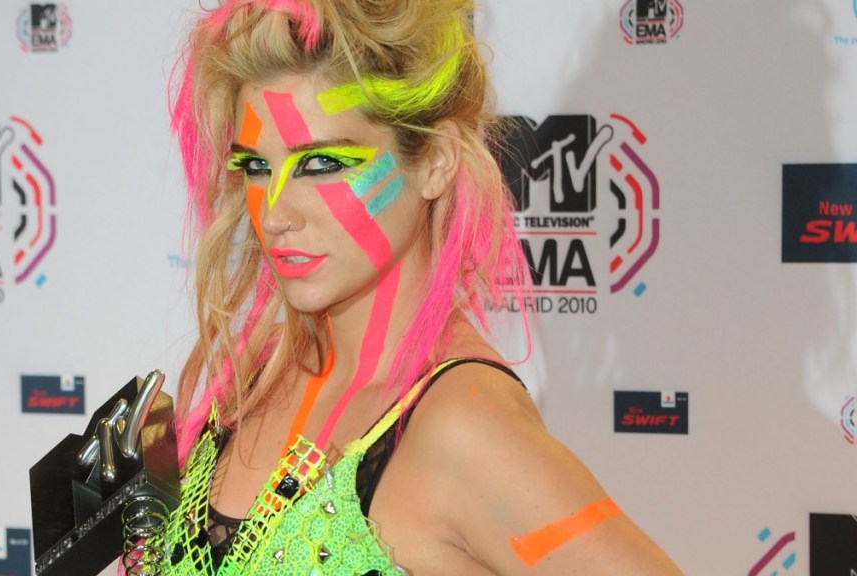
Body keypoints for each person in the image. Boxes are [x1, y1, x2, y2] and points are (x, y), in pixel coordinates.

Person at [142, 0, 685, 574]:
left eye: (322, 164)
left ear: (434, 161)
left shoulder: (463, 425)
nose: (275, 214)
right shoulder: (251, 373)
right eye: (255, 167)